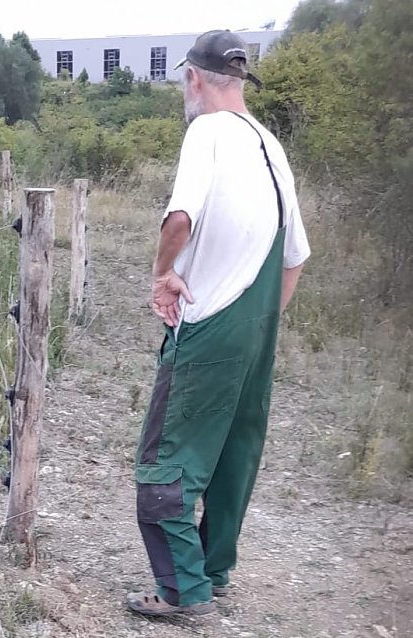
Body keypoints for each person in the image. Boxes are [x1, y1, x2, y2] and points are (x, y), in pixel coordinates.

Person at [126, 30, 311, 617]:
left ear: (195, 78)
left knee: (165, 460)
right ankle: (214, 567)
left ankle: (184, 590)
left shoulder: (205, 131)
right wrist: (261, 324)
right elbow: (297, 257)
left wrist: (162, 274)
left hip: (213, 324)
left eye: (187, 79)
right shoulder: (271, 145)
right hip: (259, 329)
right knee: (235, 453)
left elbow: (180, 216)